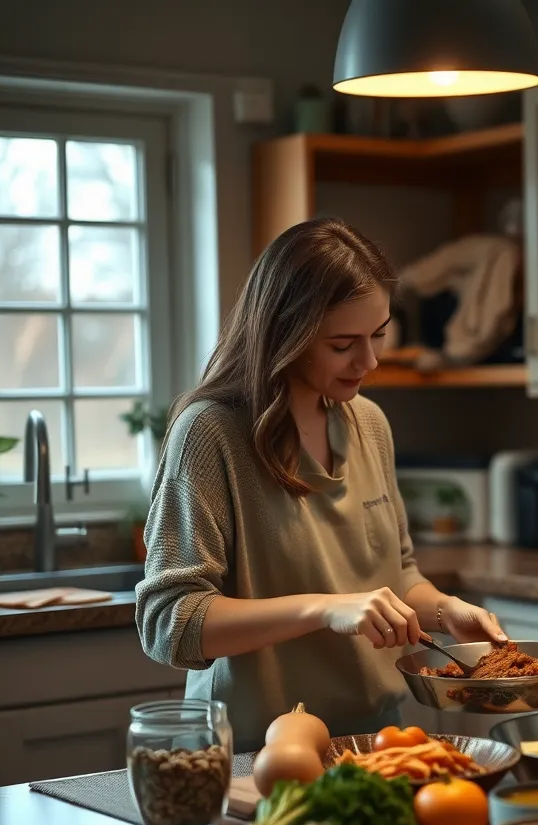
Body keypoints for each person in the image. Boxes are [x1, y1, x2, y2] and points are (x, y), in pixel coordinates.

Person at [135, 218, 506, 751]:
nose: (369, 361)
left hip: (378, 740)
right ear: (287, 333)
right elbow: (171, 622)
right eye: (342, 344)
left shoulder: (370, 423)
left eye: (377, 335)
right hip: (250, 752)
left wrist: (448, 611)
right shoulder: (210, 433)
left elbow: (395, 576)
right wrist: (325, 608)